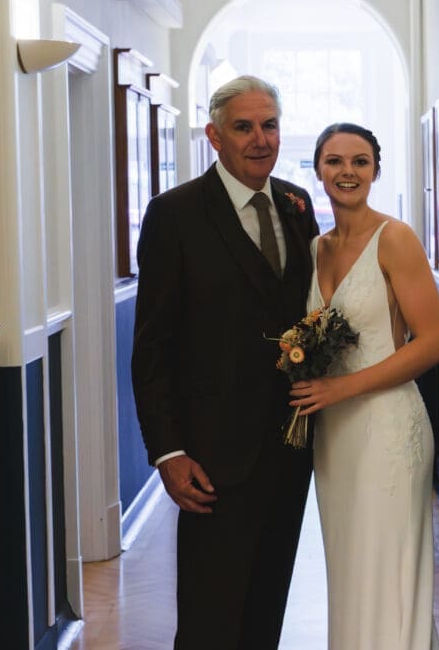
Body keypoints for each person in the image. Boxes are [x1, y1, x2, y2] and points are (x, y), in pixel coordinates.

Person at [131, 75, 319, 649]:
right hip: (212, 457)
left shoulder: (296, 203)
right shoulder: (175, 214)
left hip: (289, 447)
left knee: (266, 609)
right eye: (244, 127)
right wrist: (168, 451)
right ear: (214, 136)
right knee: (211, 619)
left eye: (270, 125)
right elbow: (153, 346)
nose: (260, 139)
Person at [290, 123, 439, 649]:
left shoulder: (395, 238)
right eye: (334, 161)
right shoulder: (316, 248)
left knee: (389, 569)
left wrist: (341, 390)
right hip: (334, 436)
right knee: (350, 567)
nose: (347, 172)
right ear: (318, 170)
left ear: (376, 170)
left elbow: (432, 343)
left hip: (386, 426)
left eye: (360, 161)